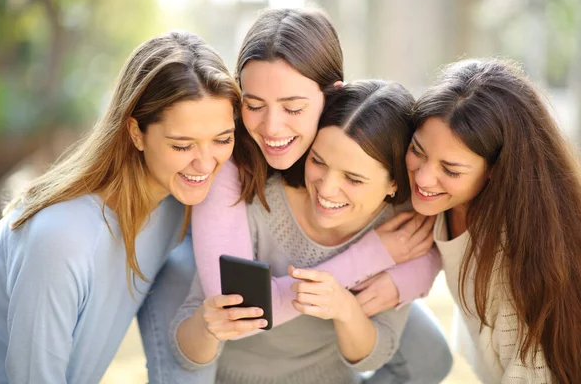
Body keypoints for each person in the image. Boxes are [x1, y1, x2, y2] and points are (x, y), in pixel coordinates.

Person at [139, 8, 451, 384]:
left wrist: (408, 275)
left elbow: (427, 236)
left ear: (331, 95)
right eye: (253, 105)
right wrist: (369, 259)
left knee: (429, 351)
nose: (271, 127)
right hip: (233, 325)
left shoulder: (375, 154)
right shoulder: (232, 165)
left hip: (323, 352)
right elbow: (239, 308)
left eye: (293, 107)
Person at [0, 31, 241, 384]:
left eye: (222, 139)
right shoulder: (62, 238)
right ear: (136, 133)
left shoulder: (175, 206)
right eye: (183, 146)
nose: (206, 163)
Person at [174, 80, 423, 383]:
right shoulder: (257, 198)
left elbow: (373, 355)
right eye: (318, 161)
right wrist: (206, 325)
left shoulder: (400, 232)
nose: (327, 189)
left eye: (353, 179)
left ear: (394, 182)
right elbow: (185, 353)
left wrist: (345, 308)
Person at [405, 58, 581, 383]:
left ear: (495, 172)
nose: (425, 178)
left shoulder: (515, 255)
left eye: (451, 169)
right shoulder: (441, 202)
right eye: (418, 150)